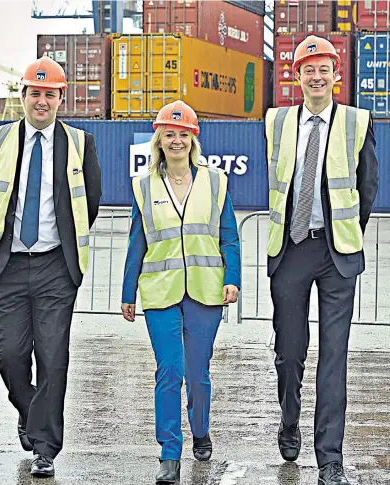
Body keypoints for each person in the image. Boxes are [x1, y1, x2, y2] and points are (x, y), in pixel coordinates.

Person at [0, 56, 102, 478]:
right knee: (9, 353)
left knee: (53, 356)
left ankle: (45, 447)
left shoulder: (81, 143)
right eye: (35, 93)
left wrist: (62, 249)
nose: (42, 101)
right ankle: (30, 411)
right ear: (24, 96)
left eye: (50, 94)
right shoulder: (0, 138)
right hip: (9, 265)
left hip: (54, 268)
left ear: (61, 98)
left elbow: (91, 203)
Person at [265, 35, 378, 485]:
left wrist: (345, 235)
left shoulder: (356, 121)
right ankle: (289, 419)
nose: (316, 75)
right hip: (290, 249)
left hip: (336, 254)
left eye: (323, 68)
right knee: (289, 352)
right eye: (307, 68)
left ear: (336, 75)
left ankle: (330, 458)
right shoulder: (275, 122)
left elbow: (367, 189)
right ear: (296, 75)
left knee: (334, 358)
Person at [121, 100, 241, 484]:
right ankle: (169, 453)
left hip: (206, 291)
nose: (176, 140)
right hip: (159, 292)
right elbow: (136, 242)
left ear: (193, 139)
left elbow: (229, 237)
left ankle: (201, 429)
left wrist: (232, 278)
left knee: (198, 373)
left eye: (183, 134)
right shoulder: (144, 186)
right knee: (169, 371)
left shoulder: (215, 181)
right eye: (169, 134)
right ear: (159, 140)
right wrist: (128, 292)